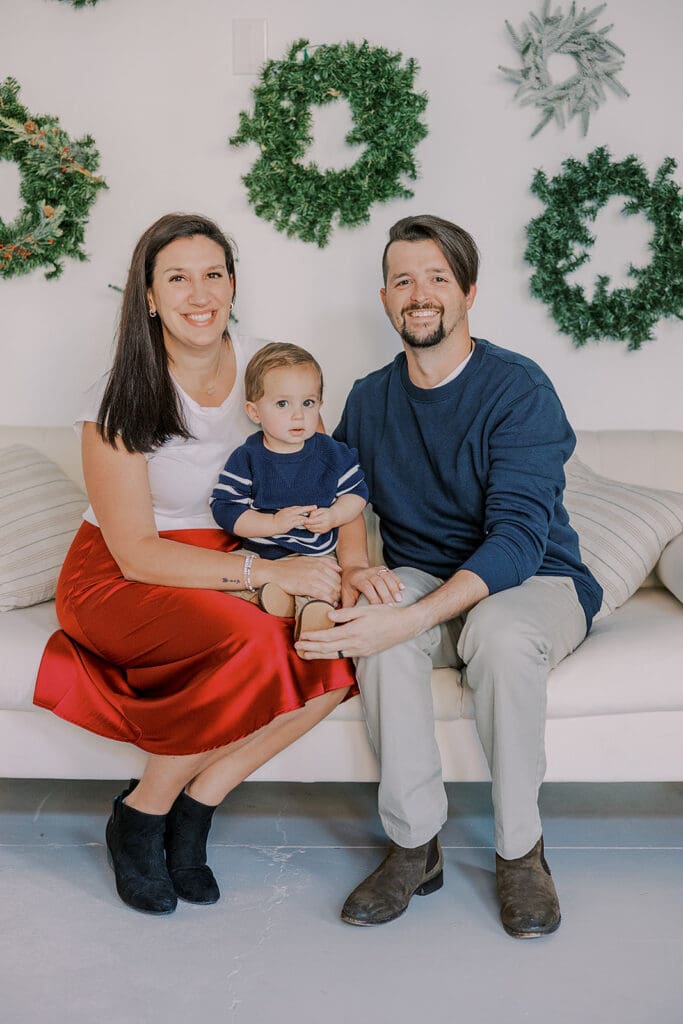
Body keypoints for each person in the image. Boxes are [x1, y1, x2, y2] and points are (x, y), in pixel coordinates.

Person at [33, 213, 355, 916]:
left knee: (334, 658)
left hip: (243, 555)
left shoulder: (276, 371)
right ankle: (141, 816)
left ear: (232, 284)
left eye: (213, 273)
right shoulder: (117, 396)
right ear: (148, 297)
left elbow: (327, 483)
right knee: (250, 640)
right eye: (176, 278)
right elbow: (135, 551)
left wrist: (341, 568)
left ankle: (197, 805)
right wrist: (262, 576)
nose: (198, 293)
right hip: (124, 574)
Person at [295, 214, 603, 938]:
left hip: (536, 579)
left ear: (467, 292)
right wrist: (358, 566)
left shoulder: (518, 389)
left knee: (494, 636)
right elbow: (341, 491)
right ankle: (413, 847)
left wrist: (415, 613)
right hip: (422, 571)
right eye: (403, 279)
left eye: (437, 277)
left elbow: (518, 539)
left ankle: (520, 852)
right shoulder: (369, 398)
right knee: (374, 630)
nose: (420, 292)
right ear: (384, 300)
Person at [210, 342, 369, 636]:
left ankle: (312, 615)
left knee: (324, 585)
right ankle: (272, 598)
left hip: (316, 557)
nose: (298, 415)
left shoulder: (332, 453)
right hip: (260, 555)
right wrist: (272, 523)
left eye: (308, 403)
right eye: (283, 404)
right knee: (218, 580)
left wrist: (334, 516)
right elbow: (225, 508)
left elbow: (356, 494)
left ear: (320, 404)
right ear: (254, 412)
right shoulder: (248, 458)